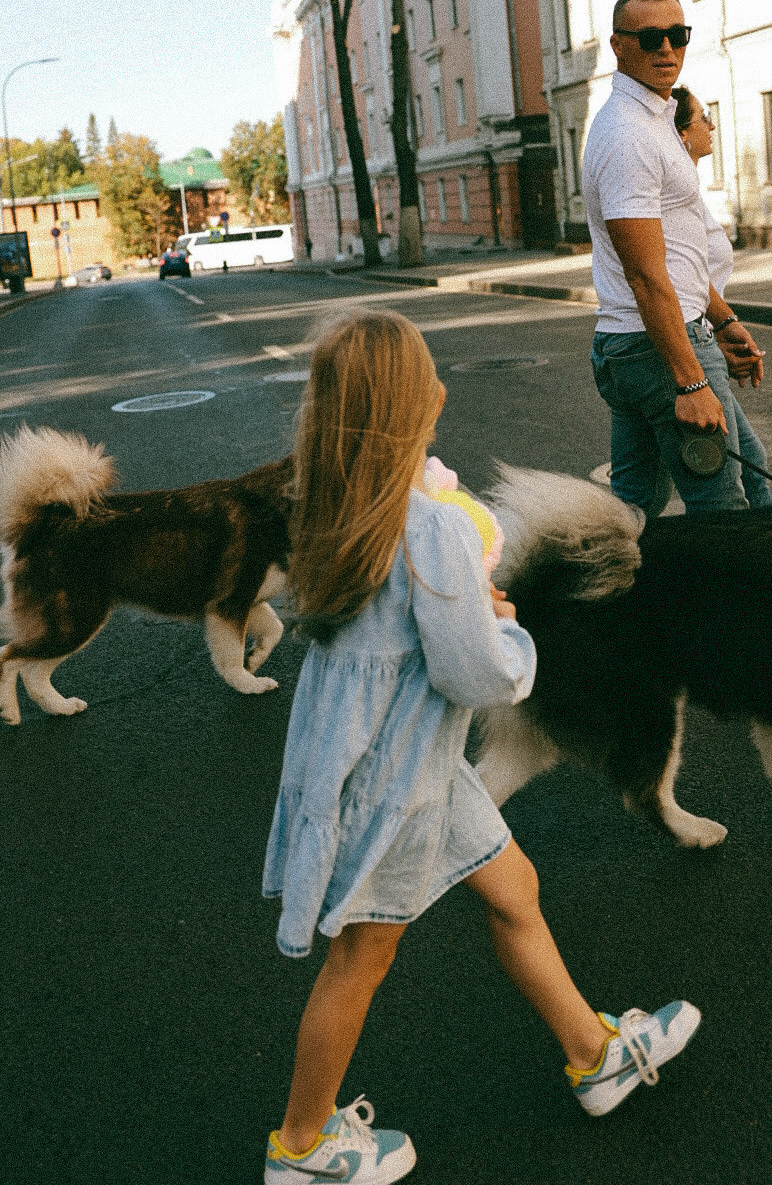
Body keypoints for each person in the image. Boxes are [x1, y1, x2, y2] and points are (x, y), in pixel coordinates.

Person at [262, 310, 701, 1185]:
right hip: (395, 782)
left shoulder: (334, 510)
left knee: (515, 889)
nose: (443, 391)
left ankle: (593, 1053)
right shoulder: (429, 532)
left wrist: (468, 607)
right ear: (402, 412)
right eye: (428, 381)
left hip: (390, 759)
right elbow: (477, 676)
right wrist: (506, 628)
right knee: (363, 958)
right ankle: (301, 1148)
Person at [581, 0, 764, 517]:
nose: (666, 49)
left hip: (639, 346)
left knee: (633, 512)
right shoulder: (629, 134)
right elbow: (645, 275)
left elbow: (678, 251)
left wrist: (724, 320)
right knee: (726, 512)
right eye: (650, 37)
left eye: (677, 35)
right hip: (657, 349)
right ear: (619, 45)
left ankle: (609, 600)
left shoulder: (655, 119)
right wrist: (689, 378)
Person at [672, 87, 771, 509]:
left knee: (641, 488)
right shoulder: (675, 195)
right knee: (734, 481)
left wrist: (721, 334)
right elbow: (682, 280)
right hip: (687, 346)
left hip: (699, 341)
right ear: (681, 135)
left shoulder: (689, 189)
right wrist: (710, 345)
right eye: (702, 118)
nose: (711, 126)